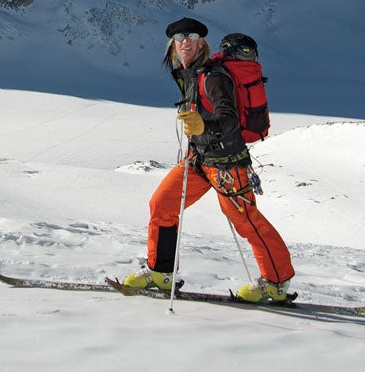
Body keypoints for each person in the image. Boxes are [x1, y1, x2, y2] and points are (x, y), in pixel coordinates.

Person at [124, 16, 295, 303]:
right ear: (173, 45)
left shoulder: (213, 76)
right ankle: (160, 273)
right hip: (199, 161)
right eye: (179, 38)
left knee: (246, 221)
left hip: (227, 162)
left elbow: (227, 118)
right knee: (162, 204)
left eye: (191, 37)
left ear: (201, 42)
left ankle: (276, 281)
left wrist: (203, 125)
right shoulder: (190, 74)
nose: (185, 42)